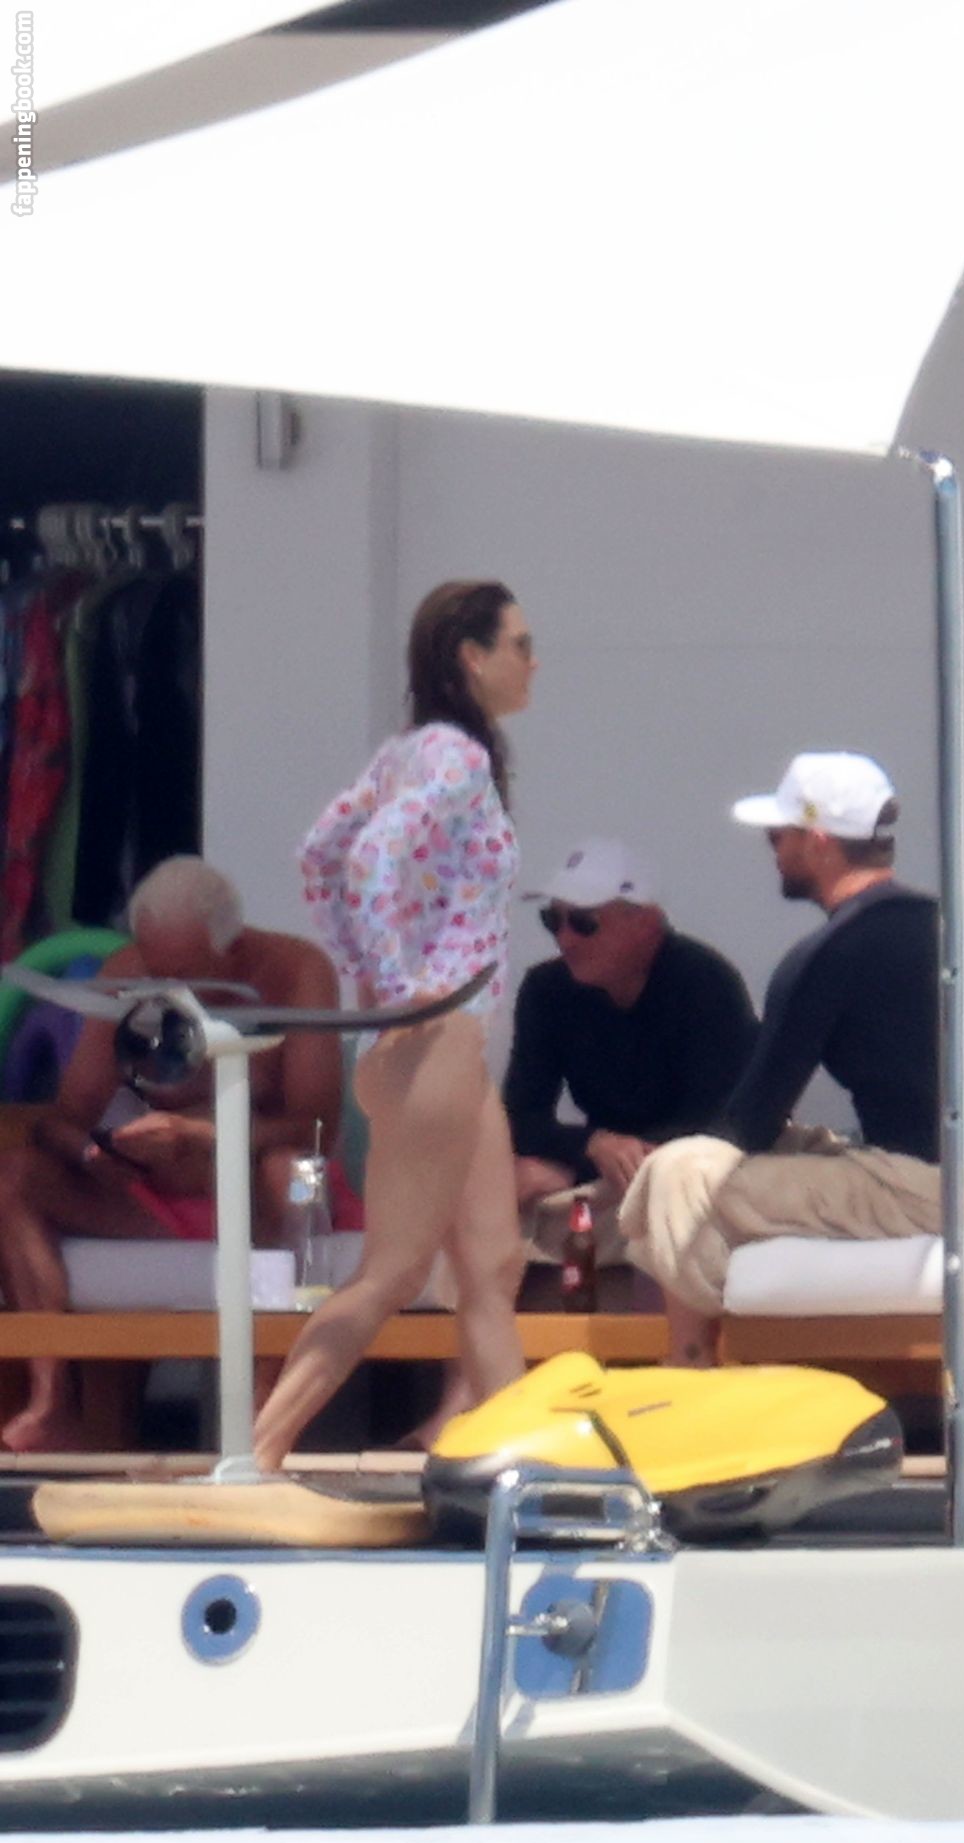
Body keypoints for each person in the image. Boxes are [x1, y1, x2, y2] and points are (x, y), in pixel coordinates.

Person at [619, 751, 964, 1364]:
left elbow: (750, 1123)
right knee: (794, 1150)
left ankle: (691, 1359)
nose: (772, 850)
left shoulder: (826, 956)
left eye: (777, 835)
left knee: (680, 1172)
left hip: (925, 1191)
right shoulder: (958, 929)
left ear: (817, 843)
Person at [253, 578, 535, 1471]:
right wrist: (401, 983)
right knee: (395, 1272)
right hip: (436, 1040)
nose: (533, 663)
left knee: (491, 1264)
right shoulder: (458, 759)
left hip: (441, 1046)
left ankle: (522, 1461)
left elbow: (321, 852)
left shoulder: (405, 754)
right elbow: (371, 856)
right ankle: (257, 1451)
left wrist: (373, 976)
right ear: (472, 657)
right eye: (520, 644)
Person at [0, 856, 344, 1451]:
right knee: (16, 1176)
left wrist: (204, 1134)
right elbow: (66, 1116)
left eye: (184, 974)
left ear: (232, 949)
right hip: (148, 1193)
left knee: (292, 1173)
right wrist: (95, 1152)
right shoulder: (126, 975)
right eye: (155, 972)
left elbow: (318, 1128)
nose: (167, 989)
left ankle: (267, 1405)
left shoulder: (297, 972)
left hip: (257, 1195)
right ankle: (51, 1399)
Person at [504, 836, 758, 1264]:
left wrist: (584, 1160)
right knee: (511, 1180)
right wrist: (592, 1145)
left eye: (583, 922)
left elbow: (719, 1124)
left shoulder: (705, 984)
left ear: (646, 924)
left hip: (688, 1169)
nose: (565, 939)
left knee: (681, 1186)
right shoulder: (546, 990)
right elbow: (519, 1116)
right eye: (553, 920)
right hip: (611, 1169)